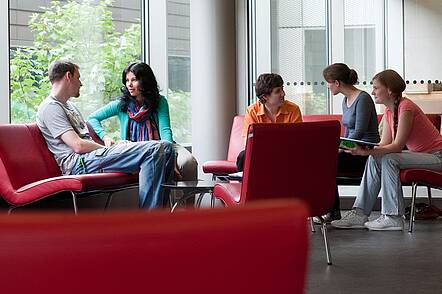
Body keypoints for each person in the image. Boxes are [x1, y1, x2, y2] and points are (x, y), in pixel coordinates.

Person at [36, 60, 174, 210]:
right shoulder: (50, 107)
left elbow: (85, 140)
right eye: (78, 78)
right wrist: (107, 147)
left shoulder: (70, 106)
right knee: (154, 149)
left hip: (91, 158)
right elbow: (78, 145)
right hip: (79, 163)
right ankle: (149, 223)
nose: (81, 83)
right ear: (68, 76)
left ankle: (161, 215)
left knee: (166, 147)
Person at [331, 69, 442, 231]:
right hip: (422, 155)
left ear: (389, 90)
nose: (372, 92)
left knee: (390, 159)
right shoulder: (390, 111)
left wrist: (367, 151)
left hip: (437, 156)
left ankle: (393, 217)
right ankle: (359, 214)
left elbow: (396, 146)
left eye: (376, 88)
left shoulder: (406, 108)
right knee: (376, 158)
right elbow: (384, 144)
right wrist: (363, 149)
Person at [88, 62, 197, 182]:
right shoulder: (121, 104)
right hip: (136, 149)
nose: (129, 84)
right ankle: (164, 199)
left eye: (134, 80)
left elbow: (165, 132)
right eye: (127, 80)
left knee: (189, 163)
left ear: (145, 81)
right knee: (156, 166)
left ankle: (187, 200)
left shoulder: (160, 102)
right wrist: (105, 137)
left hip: (164, 145)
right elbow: (92, 118)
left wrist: (171, 157)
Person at [321, 63, 380, 222]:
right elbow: (348, 132)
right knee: (324, 163)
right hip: (352, 149)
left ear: (337, 83)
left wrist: (340, 147)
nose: (328, 86)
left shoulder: (363, 99)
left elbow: (359, 132)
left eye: (329, 82)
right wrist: (340, 147)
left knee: (326, 165)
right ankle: (330, 211)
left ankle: (332, 212)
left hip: (365, 151)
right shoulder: (346, 100)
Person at [236, 73, 302, 171]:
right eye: (278, 91)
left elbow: (298, 141)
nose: (283, 94)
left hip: (287, 153)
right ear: (265, 97)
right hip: (262, 153)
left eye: (282, 89)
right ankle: (246, 185)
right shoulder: (252, 111)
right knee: (243, 155)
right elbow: (249, 144)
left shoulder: (293, 109)